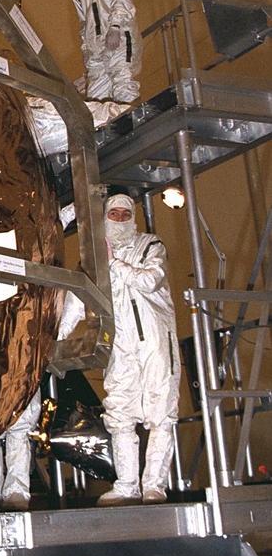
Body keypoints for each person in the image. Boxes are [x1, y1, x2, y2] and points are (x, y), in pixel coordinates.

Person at [98, 193, 180, 506]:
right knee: (119, 412)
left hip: (155, 340)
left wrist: (114, 265)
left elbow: (150, 281)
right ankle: (126, 484)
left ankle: (154, 486)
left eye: (124, 214)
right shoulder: (97, 255)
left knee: (161, 411)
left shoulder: (150, 245)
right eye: (113, 214)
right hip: (119, 344)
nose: (118, 219)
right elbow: (82, 298)